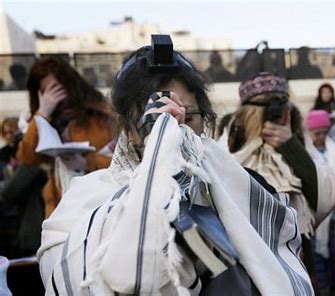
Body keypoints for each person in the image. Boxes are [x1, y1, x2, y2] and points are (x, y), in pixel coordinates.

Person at [38, 42, 315, 295]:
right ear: (129, 129)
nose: (176, 127)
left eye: (189, 116)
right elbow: (110, 273)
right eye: (159, 118)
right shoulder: (88, 197)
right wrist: (157, 168)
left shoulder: (239, 187)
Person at [223, 72, 335, 289]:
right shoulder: (228, 145)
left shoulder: (297, 144)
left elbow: (325, 198)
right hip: (245, 267)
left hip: (297, 261)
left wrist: (291, 147)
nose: (277, 116)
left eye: (281, 109)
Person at [16, 57, 117, 218]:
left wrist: (87, 162)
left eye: (56, 88)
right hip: (60, 211)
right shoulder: (40, 121)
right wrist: (42, 114)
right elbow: (28, 158)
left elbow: (124, 162)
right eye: (45, 92)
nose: (53, 97)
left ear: (69, 84)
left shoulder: (100, 115)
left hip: (98, 209)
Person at [306, 110, 335, 295]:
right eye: (317, 134)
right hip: (317, 212)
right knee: (318, 254)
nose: (321, 137)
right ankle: (323, 288)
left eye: (324, 132)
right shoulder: (305, 151)